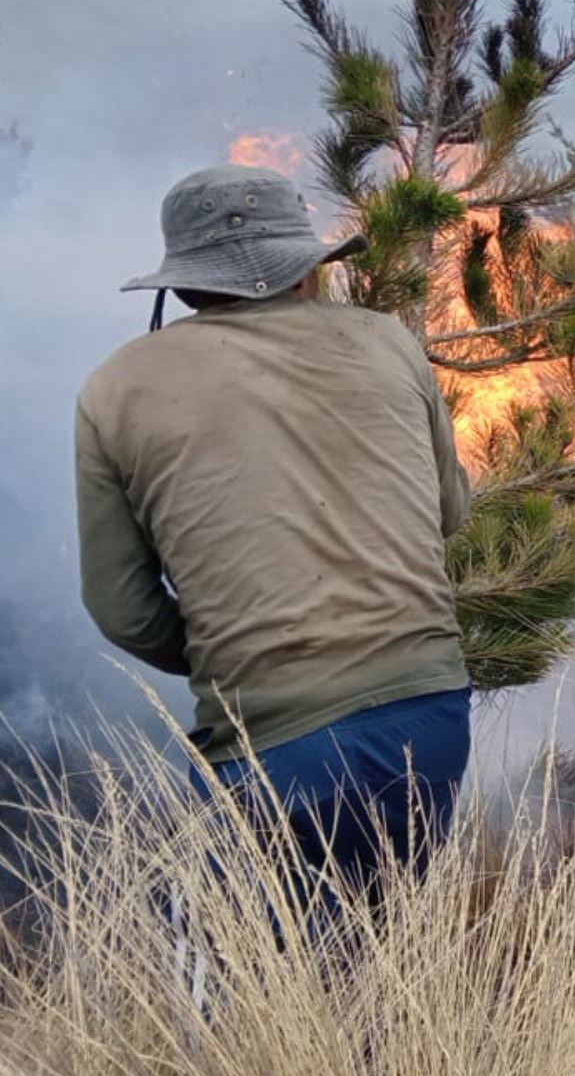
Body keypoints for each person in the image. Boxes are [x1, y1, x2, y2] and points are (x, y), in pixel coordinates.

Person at [77, 164, 473, 916]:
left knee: (241, 971)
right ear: (304, 270)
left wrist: (244, 645)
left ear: (184, 287)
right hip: (430, 715)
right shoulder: (387, 341)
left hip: (268, 735)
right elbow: (450, 513)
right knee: (373, 943)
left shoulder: (114, 387)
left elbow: (121, 608)